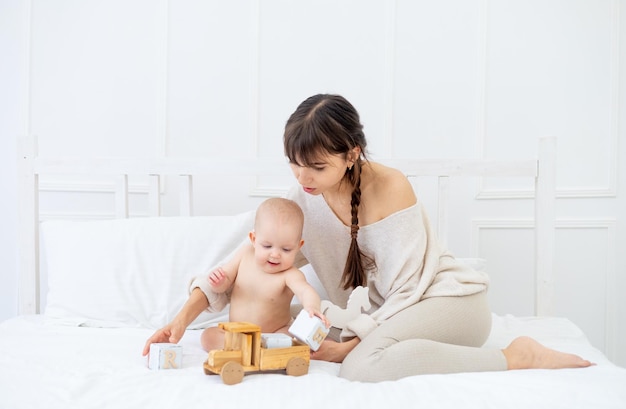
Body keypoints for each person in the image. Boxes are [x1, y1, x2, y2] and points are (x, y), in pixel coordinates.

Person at [279, 93, 592, 382]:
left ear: (351, 155)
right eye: (295, 163)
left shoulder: (390, 187)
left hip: (447, 303)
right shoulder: (305, 193)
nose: (303, 177)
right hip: (395, 314)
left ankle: (514, 356)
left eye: (317, 167)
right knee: (286, 318)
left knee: (361, 366)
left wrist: (348, 348)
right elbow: (264, 250)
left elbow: (407, 290)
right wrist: (229, 280)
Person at [142, 197, 328, 356]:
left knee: (292, 337)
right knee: (208, 336)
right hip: (237, 334)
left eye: (286, 249)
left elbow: (306, 291)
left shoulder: (290, 275)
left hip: (273, 333)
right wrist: (218, 281)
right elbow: (223, 285)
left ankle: (261, 350)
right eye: (267, 246)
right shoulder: (244, 255)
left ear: (298, 246)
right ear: (254, 239)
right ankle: (245, 349)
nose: (275, 254)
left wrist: (312, 307)